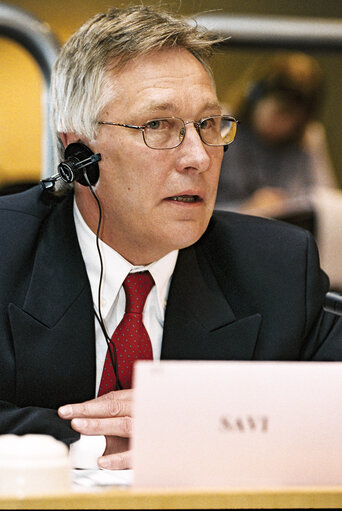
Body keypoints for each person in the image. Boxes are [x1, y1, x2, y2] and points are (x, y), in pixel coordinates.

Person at [1, 6, 342, 472]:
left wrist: (191, 427)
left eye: (208, 125)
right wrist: (94, 446)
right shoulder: (7, 248)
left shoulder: (277, 267)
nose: (199, 157)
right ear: (78, 151)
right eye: (158, 126)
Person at [216, 52, 338, 217]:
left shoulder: (307, 138)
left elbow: (327, 207)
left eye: (295, 120)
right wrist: (245, 210)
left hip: (286, 236)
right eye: (280, 112)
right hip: (228, 233)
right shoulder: (220, 126)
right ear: (255, 95)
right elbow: (194, 207)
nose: (285, 125)